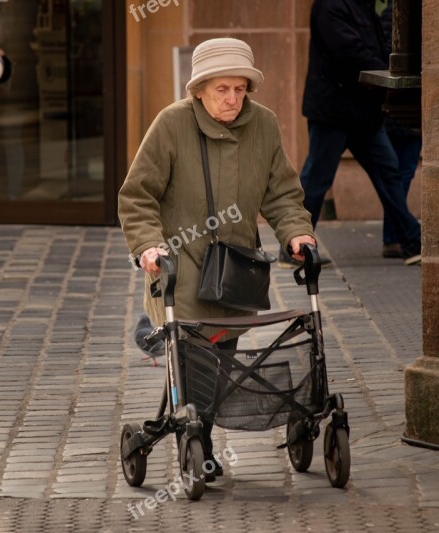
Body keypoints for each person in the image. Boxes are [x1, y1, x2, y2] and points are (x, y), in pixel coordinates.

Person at [118, 37, 316, 481]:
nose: (232, 98)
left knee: (219, 359)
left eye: (240, 89)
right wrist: (148, 246)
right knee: (197, 361)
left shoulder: (263, 125)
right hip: (180, 270)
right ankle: (199, 440)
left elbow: (281, 192)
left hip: (234, 274)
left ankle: (194, 423)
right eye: (222, 89)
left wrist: (297, 232)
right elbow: (138, 196)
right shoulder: (171, 124)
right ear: (200, 88)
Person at [290, 0, 422, 266]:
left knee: (389, 174)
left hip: (363, 113)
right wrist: (383, 71)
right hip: (333, 113)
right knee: (317, 179)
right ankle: (295, 247)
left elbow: (379, 44)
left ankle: (411, 242)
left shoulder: (362, 6)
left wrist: (389, 69)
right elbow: (349, 50)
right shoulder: (330, 6)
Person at [379, 0, 422, 259]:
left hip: (395, 105)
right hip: (403, 106)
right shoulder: (400, 18)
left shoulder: (388, 16)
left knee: (396, 174)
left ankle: (395, 235)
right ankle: (396, 235)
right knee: (400, 173)